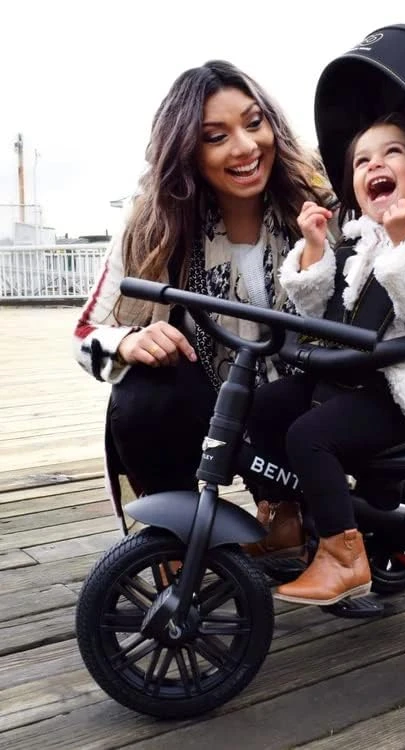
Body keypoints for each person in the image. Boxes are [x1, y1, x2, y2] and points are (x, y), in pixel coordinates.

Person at [73, 60, 335, 555]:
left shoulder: (321, 197)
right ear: (186, 150)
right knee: (142, 397)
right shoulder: (152, 223)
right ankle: (170, 538)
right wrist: (128, 342)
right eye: (216, 137)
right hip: (214, 399)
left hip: (305, 399)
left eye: (254, 123)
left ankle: (286, 509)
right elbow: (86, 334)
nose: (245, 146)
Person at [247, 111, 405, 605]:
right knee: (265, 404)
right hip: (354, 377)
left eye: (393, 152)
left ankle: (342, 556)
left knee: (309, 435)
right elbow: (324, 313)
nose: (374, 163)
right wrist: (314, 250)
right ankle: (286, 516)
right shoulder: (360, 242)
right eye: (361, 161)